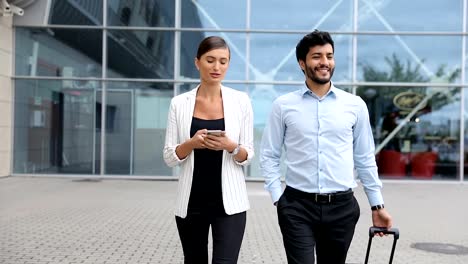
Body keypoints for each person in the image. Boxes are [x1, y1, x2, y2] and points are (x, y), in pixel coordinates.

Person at [259, 30, 393, 264]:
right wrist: (278, 198)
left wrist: (377, 204)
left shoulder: (355, 105)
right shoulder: (283, 106)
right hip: (297, 207)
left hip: (342, 208)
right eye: (317, 56)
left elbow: (364, 158)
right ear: (302, 63)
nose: (325, 62)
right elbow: (269, 155)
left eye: (329, 56)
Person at [163, 36, 254, 264]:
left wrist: (230, 146)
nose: (217, 67)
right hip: (191, 203)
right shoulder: (179, 103)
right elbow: (169, 156)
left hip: (230, 205)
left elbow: (248, 154)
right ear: (197, 62)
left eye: (223, 61)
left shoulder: (241, 101)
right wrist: (191, 144)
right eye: (210, 60)